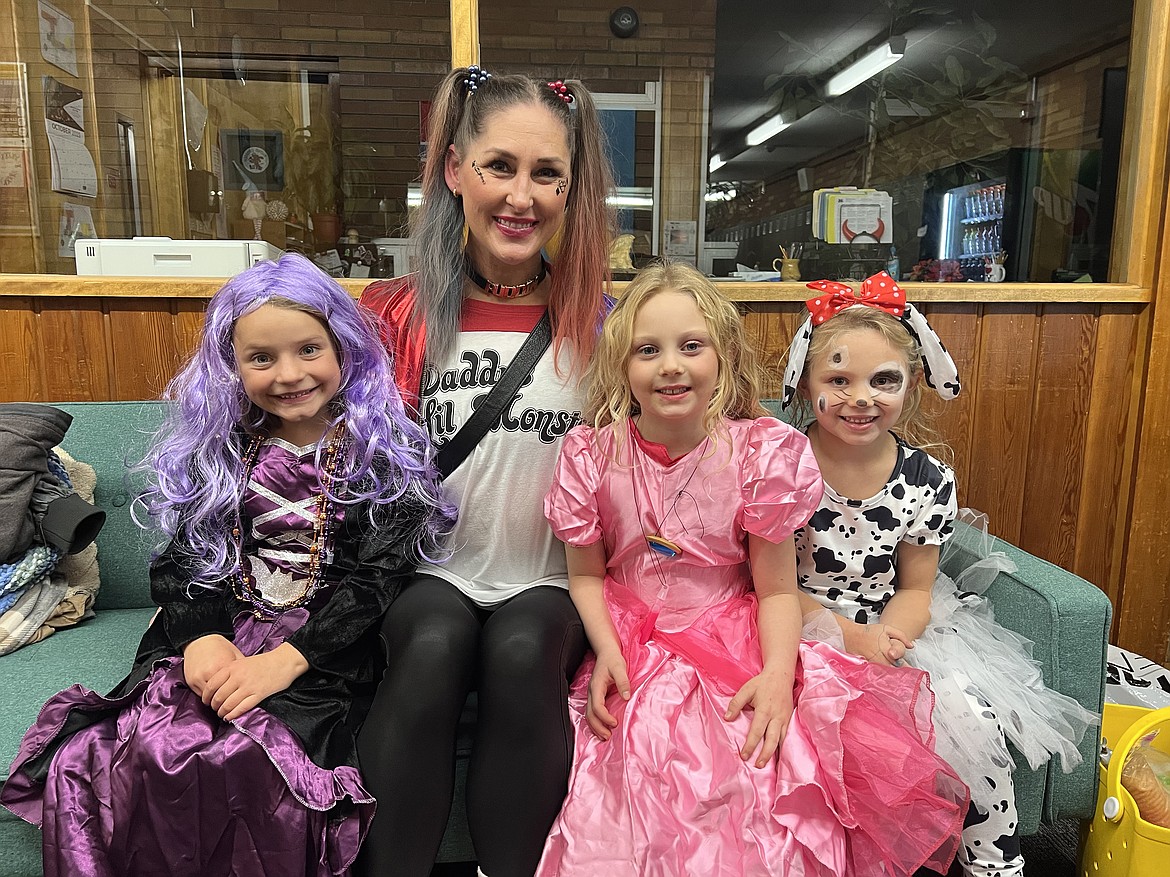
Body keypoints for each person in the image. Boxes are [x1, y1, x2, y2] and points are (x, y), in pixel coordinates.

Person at [1, 253, 453, 876]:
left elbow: (378, 579)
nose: (289, 374)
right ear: (231, 367)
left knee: (251, 761)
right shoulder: (219, 452)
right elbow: (183, 560)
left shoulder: (384, 455)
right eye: (261, 358)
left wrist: (284, 663)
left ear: (344, 348)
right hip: (222, 631)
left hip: (323, 651)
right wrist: (205, 638)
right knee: (151, 750)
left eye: (308, 349)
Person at [535, 261, 968, 877]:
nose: (671, 366)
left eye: (692, 346)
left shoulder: (759, 453)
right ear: (621, 367)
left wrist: (776, 674)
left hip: (731, 633)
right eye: (647, 350)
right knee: (633, 762)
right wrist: (606, 650)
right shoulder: (591, 455)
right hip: (632, 638)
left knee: (756, 763)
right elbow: (585, 575)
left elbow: (774, 590)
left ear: (723, 357)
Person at [356, 65, 615, 876]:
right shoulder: (390, 312)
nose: (521, 196)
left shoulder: (604, 322)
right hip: (433, 569)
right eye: (501, 166)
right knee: (433, 641)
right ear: (455, 169)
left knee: (520, 651)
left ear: (572, 189)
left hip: (550, 577)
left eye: (547, 174)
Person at [781, 272, 1098, 877]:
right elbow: (770, 583)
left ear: (913, 384)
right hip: (798, 621)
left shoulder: (926, 481)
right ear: (805, 384)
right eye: (838, 380)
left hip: (894, 625)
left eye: (883, 381)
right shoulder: (780, 466)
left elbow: (917, 587)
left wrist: (890, 640)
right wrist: (849, 641)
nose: (861, 397)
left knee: (972, 722)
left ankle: (995, 862)